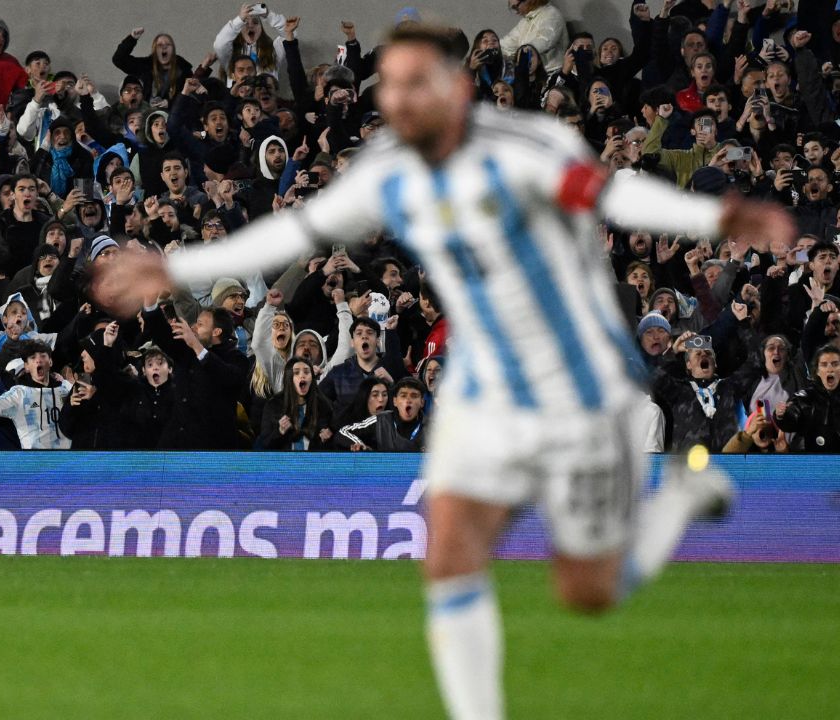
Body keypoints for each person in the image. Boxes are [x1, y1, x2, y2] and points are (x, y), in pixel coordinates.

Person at [91, 23, 795, 720]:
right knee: (451, 560)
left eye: (411, 83)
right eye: (388, 84)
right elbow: (299, 231)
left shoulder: (527, 148)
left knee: (589, 589)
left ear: (455, 88)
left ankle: (675, 497)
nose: (394, 99)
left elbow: (612, 196)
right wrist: (175, 266)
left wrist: (718, 214)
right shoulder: (392, 169)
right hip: (480, 383)